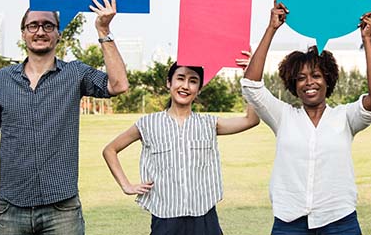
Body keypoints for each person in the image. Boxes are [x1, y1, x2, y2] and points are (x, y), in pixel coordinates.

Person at [0, 0, 129, 234]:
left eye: (48, 26)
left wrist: (103, 29)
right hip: (11, 208)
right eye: (33, 25)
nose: (40, 31)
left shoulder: (75, 74)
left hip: (62, 211)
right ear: (23, 33)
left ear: (58, 34)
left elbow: (119, 85)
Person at [241, 0, 371, 234]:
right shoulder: (283, 116)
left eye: (316, 75)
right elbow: (251, 85)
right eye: (301, 78)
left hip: (339, 220)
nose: (309, 83)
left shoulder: (345, 118)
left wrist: (367, 39)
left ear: (328, 80)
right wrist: (271, 29)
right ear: (293, 84)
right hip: (289, 221)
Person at [102, 60, 260, 235]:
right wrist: (126, 186)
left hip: (205, 217)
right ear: (169, 82)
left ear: (199, 89)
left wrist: (250, 75)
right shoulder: (148, 124)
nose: (185, 86)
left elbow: (251, 120)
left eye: (193, 81)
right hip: (165, 220)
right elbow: (110, 150)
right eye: (180, 78)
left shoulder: (209, 123)